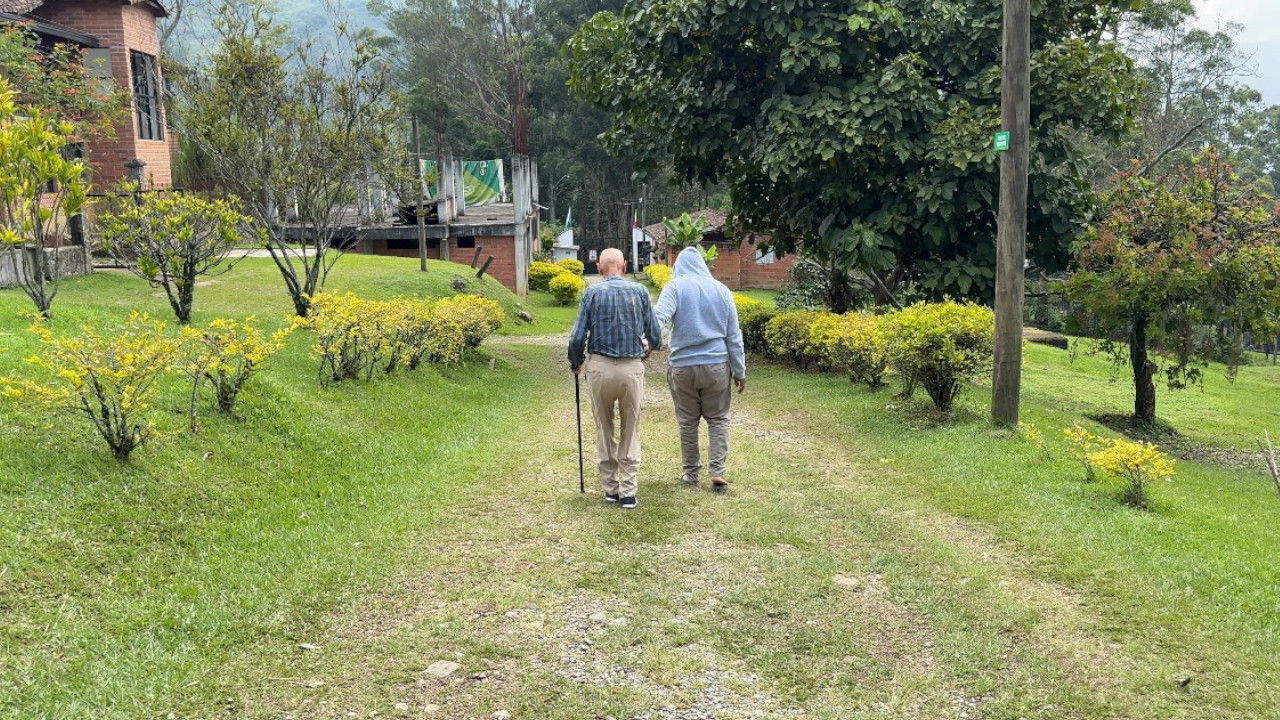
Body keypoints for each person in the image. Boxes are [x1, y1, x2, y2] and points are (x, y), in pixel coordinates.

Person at [568, 248, 664, 510]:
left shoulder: (591, 293)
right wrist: (650, 345)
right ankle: (629, 491)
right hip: (631, 368)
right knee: (630, 430)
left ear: (599, 269)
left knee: (604, 428)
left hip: (599, 368)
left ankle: (610, 488)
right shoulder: (640, 292)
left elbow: (577, 337)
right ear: (624, 266)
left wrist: (576, 362)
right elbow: (655, 334)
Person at [653, 246, 746, 493]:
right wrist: (740, 370)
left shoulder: (674, 287)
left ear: (678, 267)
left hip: (682, 366)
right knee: (718, 419)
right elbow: (733, 336)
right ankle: (717, 472)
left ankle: (691, 473)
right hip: (716, 366)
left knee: (687, 421)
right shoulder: (722, 290)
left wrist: (647, 342)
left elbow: (658, 318)